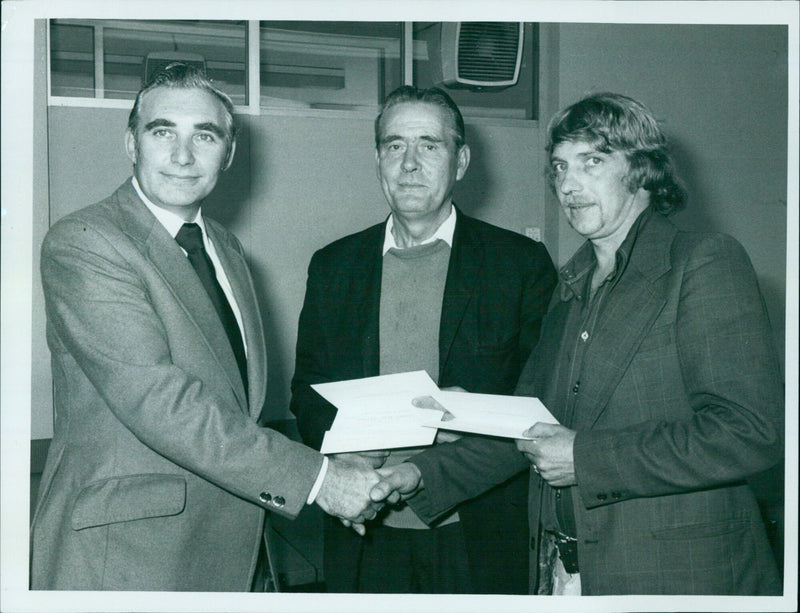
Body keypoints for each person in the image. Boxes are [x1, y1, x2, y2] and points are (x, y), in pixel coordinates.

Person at [375, 92, 784, 595]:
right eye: (560, 167)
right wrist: (420, 471)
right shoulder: (572, 284)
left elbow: (751, 432)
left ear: (641, 167)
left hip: (677, 576)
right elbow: (530, 423)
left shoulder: (703, 262)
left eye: (592, 161)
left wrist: (585, 458)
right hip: (565, 570)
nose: (569, 185)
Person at [30, 63, 385, 592]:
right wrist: (318, 480)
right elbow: (160, 400)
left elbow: (233, 405)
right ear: (131, 143)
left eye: (205, 135)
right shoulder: (86, 241)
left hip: (229, 547)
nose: (182, 155)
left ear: (229, 152)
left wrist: (319, 467)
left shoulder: (227, 248)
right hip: (125, 557)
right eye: (162, 131)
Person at [290, 85, 557, 593]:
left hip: (476, 532)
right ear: (378, 160)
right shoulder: (333, 267)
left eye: (429, 145)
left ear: (461, 162)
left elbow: (538, 401)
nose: (409, 163)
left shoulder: (519, 265)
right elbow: (307, 390)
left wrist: (464, 417)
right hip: (364, 528)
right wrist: (348, 461)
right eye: (394, 145)